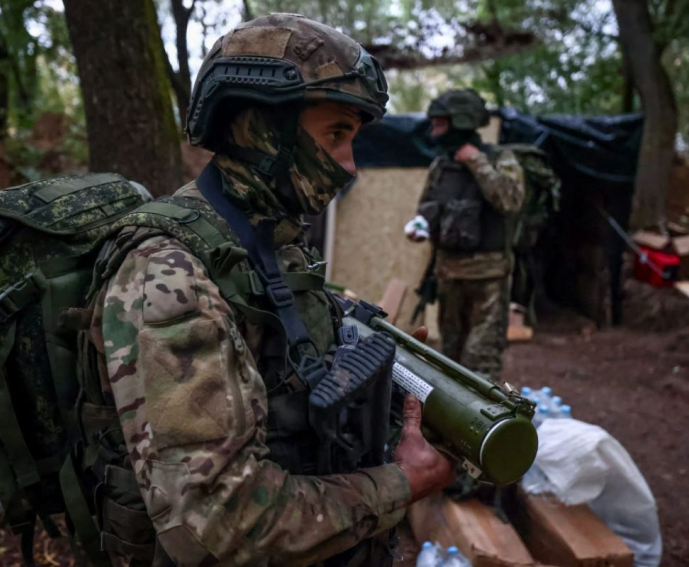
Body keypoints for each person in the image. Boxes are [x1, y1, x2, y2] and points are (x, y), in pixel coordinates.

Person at [82, 14, 454, 567]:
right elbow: (222, 522)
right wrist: (401, 484)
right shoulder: (168, 277)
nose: (350, 166)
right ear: (261, 128)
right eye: (335, 134)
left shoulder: (264, 241)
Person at [404, 89, 524, 382]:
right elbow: (427, 209)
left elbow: (510, 201)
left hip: (488, 279)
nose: (434, 132)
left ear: (461, 122)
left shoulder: (499, 158)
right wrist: (420, 227)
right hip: (449, 276)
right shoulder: (441, 165)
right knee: (449, 359)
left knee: (480, 365)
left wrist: (477, 162)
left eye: (440, 124)